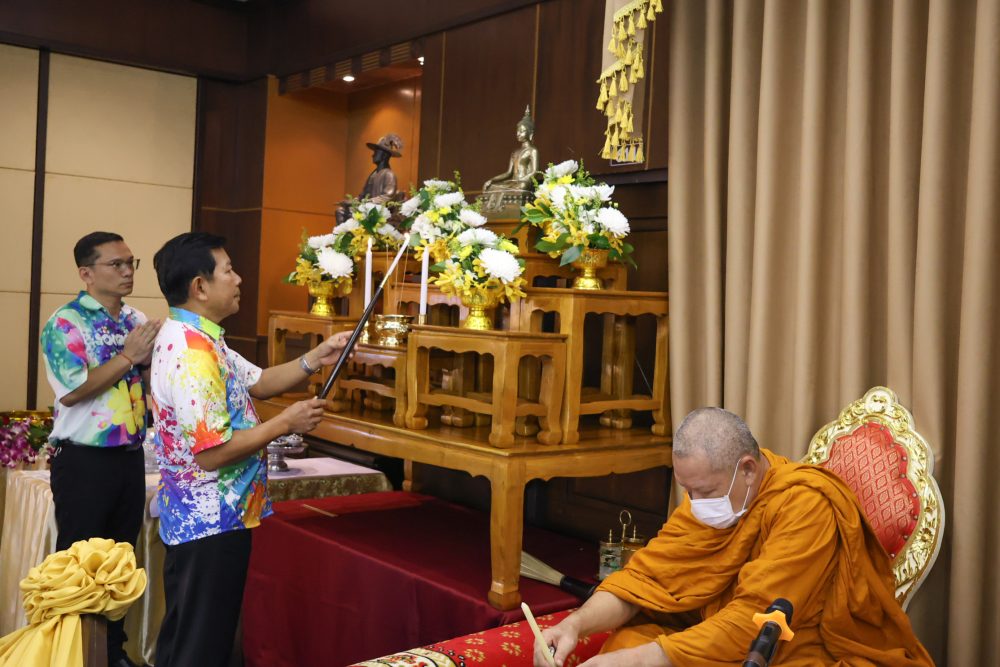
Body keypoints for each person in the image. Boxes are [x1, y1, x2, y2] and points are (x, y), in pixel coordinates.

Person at [535, 407, 933, 666]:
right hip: (710, 632)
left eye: (704, 491)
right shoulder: (710, 498)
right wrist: (575, 625)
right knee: (625, 644)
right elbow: (644, 579)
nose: (694, 503)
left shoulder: (805, 505)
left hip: (786, 650)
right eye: (687, 490)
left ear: (747, 469)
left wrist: (643, 660)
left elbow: (756, 623)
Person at [149, 232, 351, 667]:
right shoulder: (192, 353)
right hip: (209, 521)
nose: (239, 279)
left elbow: (258, 381)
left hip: (210, 517)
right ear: (200, 287)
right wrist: (285, 423)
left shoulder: (200, 337)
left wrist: (317, 357)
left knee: (188, 637)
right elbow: (212, 453)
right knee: (202, 647)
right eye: (228, 270)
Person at [40, 231, 161, 667]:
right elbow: (73, 391)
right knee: (80, 566)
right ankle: (70, 655)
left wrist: (148, 364)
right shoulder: (65, 323)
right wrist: (128, 357)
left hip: (130, 458)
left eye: (131, 262)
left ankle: (112, 653)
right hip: (84, 461)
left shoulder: (135, 319)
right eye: (116, 264)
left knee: (119, 563)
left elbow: (145, 382)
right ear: (86, 273)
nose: (127, 271)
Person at [335, 133, 403, 224]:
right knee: (341, 211)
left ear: (384, 155)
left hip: (378, 210)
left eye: (376, 153)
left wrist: (367, 202)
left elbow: (387, 197)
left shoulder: (389, 174)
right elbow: (362, 196)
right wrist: (351, 202)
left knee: (353, 214)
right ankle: (344, 233)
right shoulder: (373, 175)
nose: (373, 155)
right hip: (366, 207)